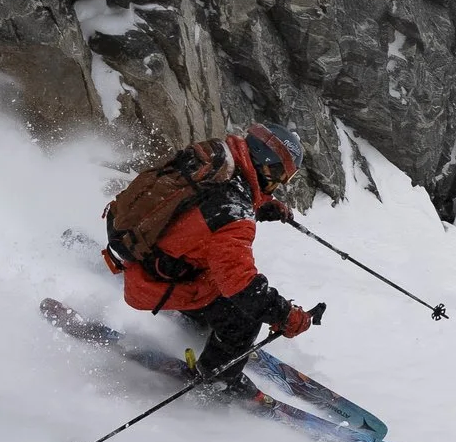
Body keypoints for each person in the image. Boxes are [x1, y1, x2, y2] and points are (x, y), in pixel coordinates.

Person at [115, 122, 323, 374]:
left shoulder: (219, 159)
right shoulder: (236, 216)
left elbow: (206, 210)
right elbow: (243, 287)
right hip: (156, 279)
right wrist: (285, 316)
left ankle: (201, 321)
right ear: (264, 162)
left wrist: (259, 206)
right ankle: (218, 382)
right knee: (244, 315)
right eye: (278, 177)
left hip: (142, 245)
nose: (276, 186)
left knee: (224, 280)